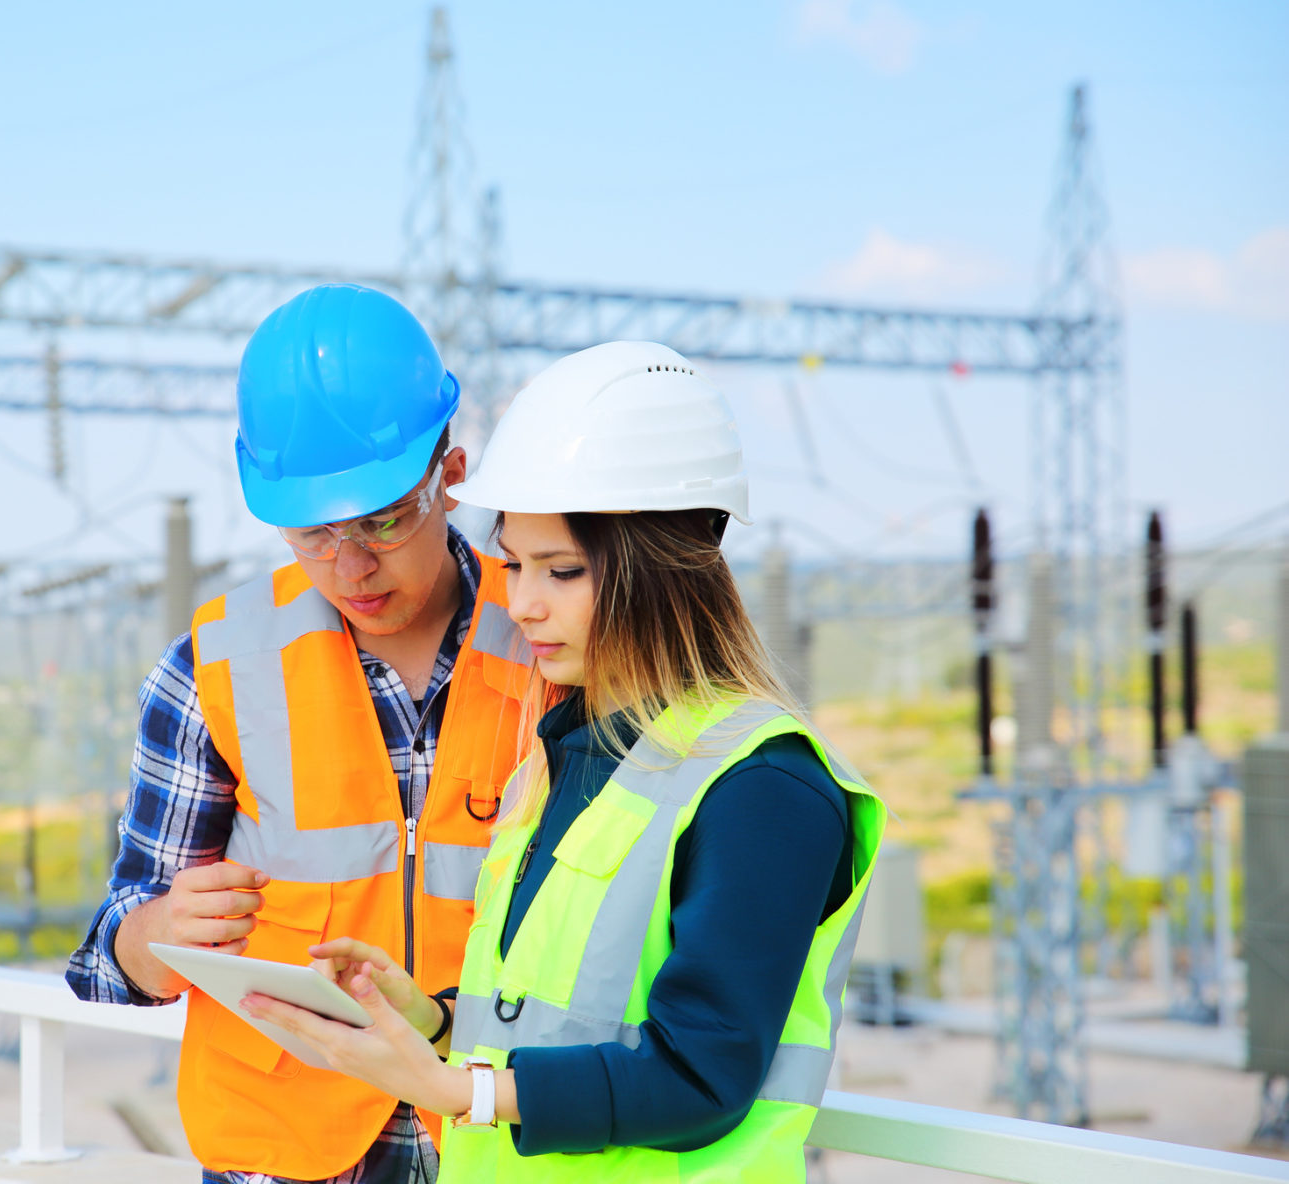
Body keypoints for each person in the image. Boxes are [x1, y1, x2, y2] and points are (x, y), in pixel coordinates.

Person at [245, 341, 887, 1182]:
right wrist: (431, 1018)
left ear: (661, 570)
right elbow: (550, 1020)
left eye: (564, 570)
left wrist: (456, 1088)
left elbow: (703, 1076)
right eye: (513, 563)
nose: (523, 602)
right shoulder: (561, 752)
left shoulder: (762, 787)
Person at [69, 283, 532, 1184]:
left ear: (453, 472)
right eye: (311, 535)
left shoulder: (552, 644)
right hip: (285, 1156)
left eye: (383, 521)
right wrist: (157, 930)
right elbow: (107, 957)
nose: (350, 564)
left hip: (496, 1136)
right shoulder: (213, 667)